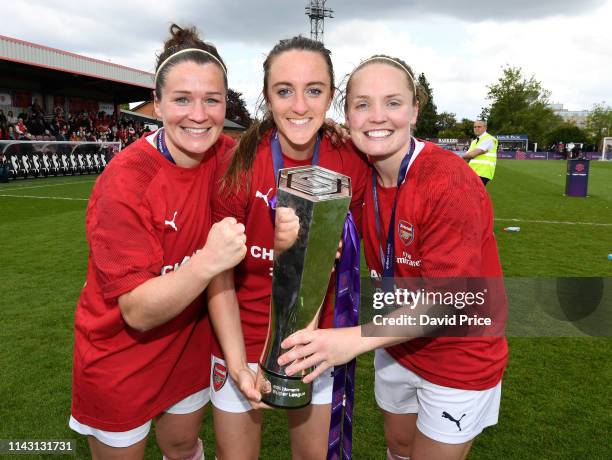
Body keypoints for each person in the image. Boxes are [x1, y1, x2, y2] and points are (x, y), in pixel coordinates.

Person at [278, 55, 508, 460]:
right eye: (362, 104)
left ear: (415, 110)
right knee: (399, 448)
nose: (376, 117)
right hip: (396, 344)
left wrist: (352, 339)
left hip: (459, 355)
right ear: (346, 113)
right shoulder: (361, 170)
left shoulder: (449, 181)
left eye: (393, 103)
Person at [69, 24, 247, 460]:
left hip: (186, 345)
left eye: (212, 99)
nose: (199, 114)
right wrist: (208, 261)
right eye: (182, 99)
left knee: (183, 446)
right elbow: (138, 312)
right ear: (158, 101)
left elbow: (290, 149)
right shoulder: (125, 182)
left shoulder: (228, 157)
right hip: (118, 358)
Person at [207, 36, 369, 460]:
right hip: (238, 338)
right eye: (284, 91)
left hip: (319, 345)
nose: (299, 106)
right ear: (267, 97)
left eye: (313, 90)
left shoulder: (351, 161)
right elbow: (218, 275)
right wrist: (239, 362)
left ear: (331, 96)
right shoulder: (238, 163)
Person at [463, 120, 498, 186]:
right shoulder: (474, 141)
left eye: (479, 127)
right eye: (475, 127)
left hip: (483, 173)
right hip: (472, 172)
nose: (476, 129)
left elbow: (471, 155)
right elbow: (467, 157)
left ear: (485, 128)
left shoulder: (489, 139)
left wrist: (458, 156)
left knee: (472, 194)